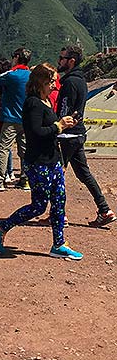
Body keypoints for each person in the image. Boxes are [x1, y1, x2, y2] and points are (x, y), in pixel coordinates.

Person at [0, 63, 84, 261]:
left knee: (59, 201)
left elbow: (49, 129)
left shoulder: (47, 102)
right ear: (40, 82)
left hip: (53, 159)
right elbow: (35, 133)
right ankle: (1, 227)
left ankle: (59, 244)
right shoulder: (32, 103)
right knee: (39, 206)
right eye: (51, 81)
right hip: (38, 163)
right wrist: (58, 126)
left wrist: (64, 125)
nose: (54, 85)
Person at [55, 45, 116, 226]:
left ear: (71, 61)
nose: (60, 61)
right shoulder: (81, 80)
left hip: (66, 136)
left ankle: (59, 214)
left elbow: (64, 110)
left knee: (56, 174)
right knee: (84, 174)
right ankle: (104, 209)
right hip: (79, 134)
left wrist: (57, 128)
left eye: (62, 58)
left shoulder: (69, 83)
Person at [0, 48, 33, 191]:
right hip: (26, 119)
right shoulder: (31, 76)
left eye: (14, 56)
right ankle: (25, 180)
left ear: (17, 57)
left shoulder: (12, 75)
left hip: (10, 118)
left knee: (3, 149)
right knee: (25, 150)